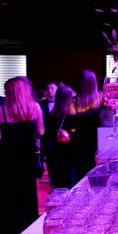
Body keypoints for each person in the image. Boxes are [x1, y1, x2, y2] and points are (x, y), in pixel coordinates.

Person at [0, 76, 45, 233]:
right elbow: (41, 131)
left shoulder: (2, 110)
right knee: (28, 193)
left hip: (7, 158)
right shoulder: (34, 107)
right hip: (27, 158)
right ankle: (28, 227)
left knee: (9, 193)